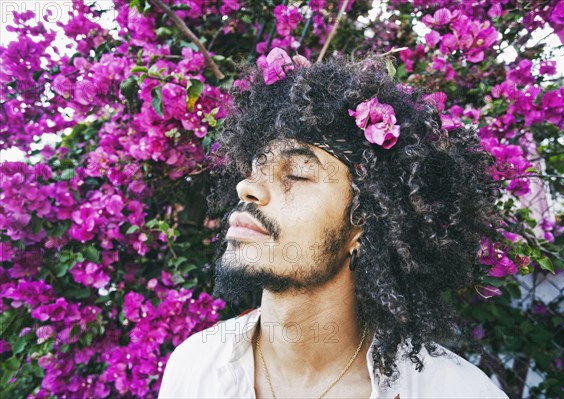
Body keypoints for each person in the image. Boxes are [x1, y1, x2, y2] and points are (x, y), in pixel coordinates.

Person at [158, 48, 509, 398]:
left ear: (365, 223)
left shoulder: (456, 392)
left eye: (295, 174)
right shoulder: (194, 369)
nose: (246, 187)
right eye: (254, 169)